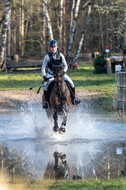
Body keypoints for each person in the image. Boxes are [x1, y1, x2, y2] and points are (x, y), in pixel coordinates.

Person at [41, 40, 80, 108]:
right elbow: (43, 68)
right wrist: (44, 76)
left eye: (54, 47)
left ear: (57, 47)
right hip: (51, 75)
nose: (53, 48)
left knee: (71, 83)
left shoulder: (60, 55)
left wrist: (64, 72)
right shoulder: (47, 56)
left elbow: (65, 65)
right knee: (46, 87)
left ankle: (73, 99)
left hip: (61, 74)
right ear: (50, 48)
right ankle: (46, 102)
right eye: (52, 47)